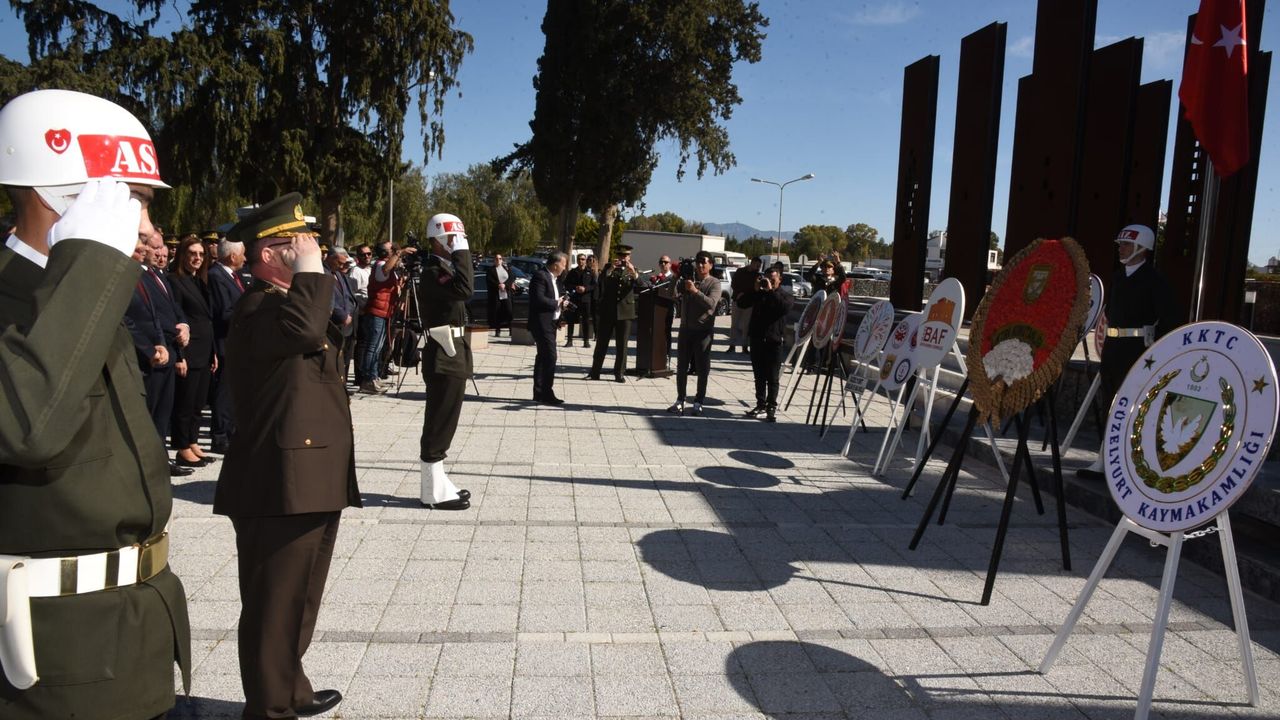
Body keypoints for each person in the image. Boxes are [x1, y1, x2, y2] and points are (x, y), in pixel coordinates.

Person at [0, 88, 190, 720]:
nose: (145, 225)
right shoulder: (43, 293)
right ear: (56, 196)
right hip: (50, 653)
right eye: (129, 197)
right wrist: (86, 270)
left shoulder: (92, 291)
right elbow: (28, 427)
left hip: (131, 629)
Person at [213, 193, 360, 720]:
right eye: (298, 242)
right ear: (270, 254)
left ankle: (291, 688)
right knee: (274, 605)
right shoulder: (258, 306)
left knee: (300, 598)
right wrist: (313, 271)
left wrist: (313, 276)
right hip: (278, 479)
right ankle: (269, 707)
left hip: (309, 474)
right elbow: (306, 330)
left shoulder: (287, 304)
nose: (310, 248)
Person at [1077, 224, 1182, 478]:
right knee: (1109, 404)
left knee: (1130, 407)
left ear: (1141, 248)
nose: (1121, 249)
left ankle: (1128, 463)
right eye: (1121, 244)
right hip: (1113, 348)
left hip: (1136, 351)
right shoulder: (1118, 277)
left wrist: (1153, 346)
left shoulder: (1154, 280)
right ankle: (1105, 459)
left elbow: (1170, 319)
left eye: (1127, 244)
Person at [416, 213, 474, 510]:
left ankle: (438, 481)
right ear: (440, 241)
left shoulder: (445, 268)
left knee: (447, 418)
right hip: (444, 352)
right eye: (453, 239)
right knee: (440, 419)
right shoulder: (432, 272)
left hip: (453, 350)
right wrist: (462, 251)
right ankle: (432, 491)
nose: (458, 243)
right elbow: (465, 289)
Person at [170, 235, 218, 467]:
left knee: (198, 403)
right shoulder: (175, 281)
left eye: (201, 254)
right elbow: (176, 319)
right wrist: (180, 356)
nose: (197, 258)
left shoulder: (200, 281)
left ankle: (192, 441)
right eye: (192, 254)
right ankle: (182, 447)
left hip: (204, 351)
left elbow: (208, 320)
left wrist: (213, 352)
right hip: (188, 351)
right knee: (185, 403)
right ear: (183, 255)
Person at [668, 251, 723, 415]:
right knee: (681, 367)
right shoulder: (688, 280)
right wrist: (675, 277)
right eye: (698, 262)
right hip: (686, 330)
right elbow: (672, 295)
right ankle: (680, 400)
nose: (700, 265)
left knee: (702, 368)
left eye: (704, 262)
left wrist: (695, 291)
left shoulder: (714, 283)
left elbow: (711, 304)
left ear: (710, 265)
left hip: (703, 331)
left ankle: (699, 401)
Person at [739, 266, 794, 422]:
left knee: (773, 377)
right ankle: (760, 404)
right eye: (767, 278)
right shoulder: (759, 293)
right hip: (757, 339)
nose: (769, 281)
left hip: (774, 341)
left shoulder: (785, 296)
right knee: (759, 376)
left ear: (780, 280)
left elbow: (783, 308)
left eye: (773, 279)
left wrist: (770, 291)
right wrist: (755, 290)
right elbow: (742, 303)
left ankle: (771, 406)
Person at [208, 237, 247, 453]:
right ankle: (220, 435)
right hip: (224, 341)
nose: (245, 258)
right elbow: (224, 312)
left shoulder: (232, 275)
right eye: (242, 254)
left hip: (236, 341)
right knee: (224, 392)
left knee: (232, 390)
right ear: (233, 256)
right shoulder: (216, 276)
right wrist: (251, 311)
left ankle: (230, 430)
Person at [356, 240, 411, 393]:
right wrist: (400, 252)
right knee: (373, 347)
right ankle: (367, 380)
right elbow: (386, 269)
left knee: (378, 347)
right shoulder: (381, 265)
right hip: (377, 311)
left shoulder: (386, 266)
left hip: (384, 311)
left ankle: (373, 376)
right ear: (385, 252)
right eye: (391, 248)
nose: (394, 249)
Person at [589, 245, 646, 382]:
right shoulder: (609, 268)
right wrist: (611, 269)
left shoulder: (633, 269)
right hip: (608, 311)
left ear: (629, 257)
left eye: (625, 256)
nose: (623, 259)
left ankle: (619, 373)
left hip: (625, 312)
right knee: (602, 342)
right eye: (620, 256)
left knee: (622, 345)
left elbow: (642, 285)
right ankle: (595, 371)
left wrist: (634, 273)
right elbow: (601, 281)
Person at [531, 251, 569, 404]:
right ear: (556, 264)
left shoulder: (555, 279)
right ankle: (547, 393)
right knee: (550, 356)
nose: (565, 268)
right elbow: (538, 299)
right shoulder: (540, 276)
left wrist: (563, 304)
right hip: (541, 323)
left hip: (551, 323)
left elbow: (555, 297)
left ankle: (539, 392)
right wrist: (556, 303)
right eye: (563, 264)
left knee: (543, 356)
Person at [326, 246, 357, 381]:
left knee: (345, 358)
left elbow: (347, 297)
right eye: (339, 262)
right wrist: (342, 316)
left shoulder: (339, 273)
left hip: (347, 324)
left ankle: (342, 383)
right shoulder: (323, 273)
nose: (342, 266)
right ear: (330, 258)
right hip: (333, 323)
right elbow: (328, 298)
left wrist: (348, 313)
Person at [563, 253, 596, 347]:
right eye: (579, 259)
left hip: (586, 300)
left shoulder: (590, 272)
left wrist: (585, 289)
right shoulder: (573, 272)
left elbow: (594, 285)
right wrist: (575, 287)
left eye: (583, 259)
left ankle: (586, 341)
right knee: (571, 320)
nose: (581, 261)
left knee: (586, 321)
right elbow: (566, 284)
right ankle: (569, 341)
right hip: (574, 299)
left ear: (585, 261)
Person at [729, 256, 762, 353]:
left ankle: (744, 346)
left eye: (759, 266)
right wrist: (739, 292)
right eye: (757, 265)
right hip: (737, 300)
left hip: (749, 303)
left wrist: (745, 292)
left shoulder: (757, 275)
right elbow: (733, 283)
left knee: (746, 326)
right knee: (734, 325)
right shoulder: (740, 271)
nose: (758, 268)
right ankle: (732, 345)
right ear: (752, 263)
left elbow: (756, 290)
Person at [485, 253, 516, 337]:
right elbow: (489, 280)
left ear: (502, 260)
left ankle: (511, 329)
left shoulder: (506, 268)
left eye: (500, 258)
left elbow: (512, 278)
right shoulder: (491, 270)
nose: (498, 260)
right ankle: (497, 330)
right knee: (497, 311)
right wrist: (498, 285)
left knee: (509, 311)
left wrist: (505, 285)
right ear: (494, 260)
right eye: (496, 258)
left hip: (506, 293)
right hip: (496, 294)